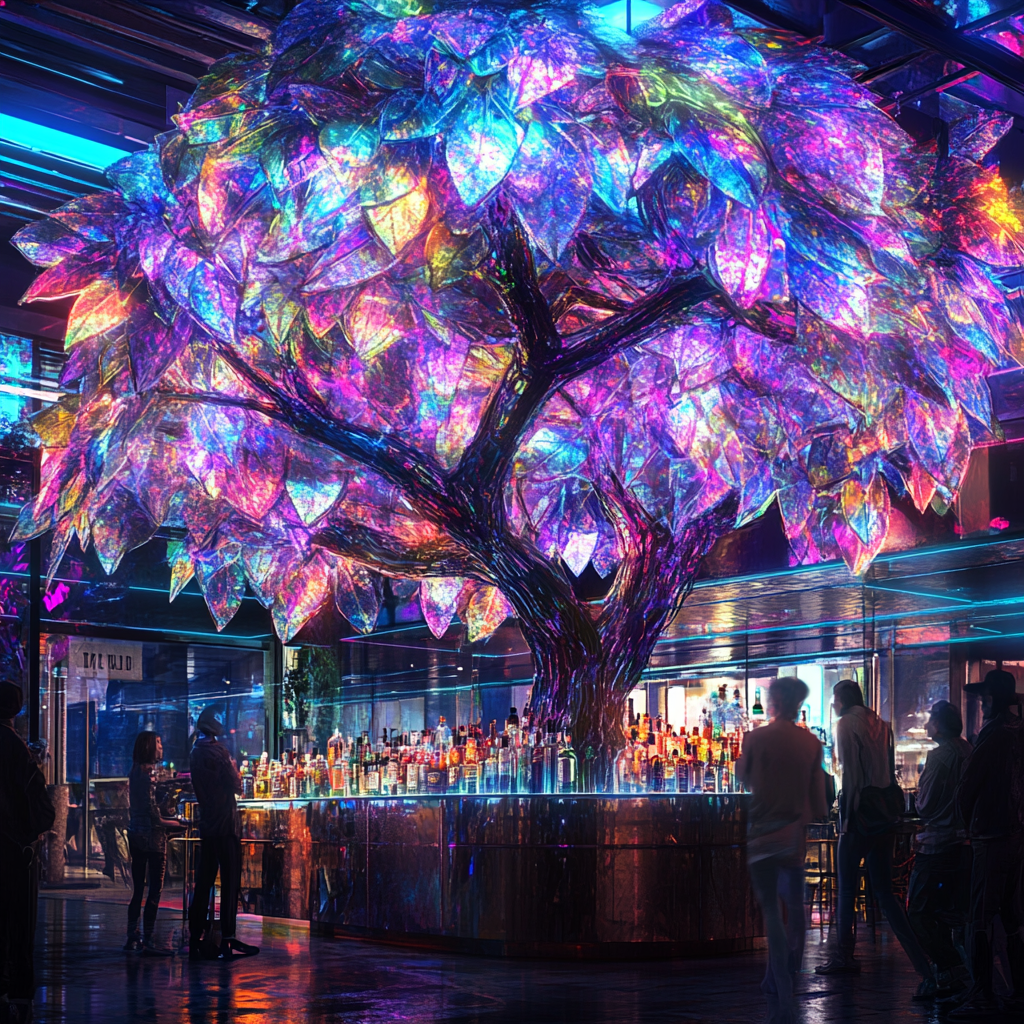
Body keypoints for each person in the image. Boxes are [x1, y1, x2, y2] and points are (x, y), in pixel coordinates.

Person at [816, 679, 933, 990]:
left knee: (846, 889)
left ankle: (844, 956)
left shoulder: (845, 724)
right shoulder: (882, 724)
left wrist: (846, 819)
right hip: (884, 816)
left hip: (860, 816)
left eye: (833, 700)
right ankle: (924, 962)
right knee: (885, 893)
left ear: (840, 700)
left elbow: (852, 777)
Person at [737, 677, 828, 1024]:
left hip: (763, 830)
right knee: (795, 905)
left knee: (772, 913)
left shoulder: (756, 738)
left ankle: (782, 985)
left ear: (773, 701)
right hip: (794, 831)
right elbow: (819, 800)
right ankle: (779, 976)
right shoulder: (810, 742)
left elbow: (744, 778)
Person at [949, 669, 1024, 1018]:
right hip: (1016, 834)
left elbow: (968, 787)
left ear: (991, 700)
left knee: (980, 916)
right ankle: (1019, 990)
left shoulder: (992, 736)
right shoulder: (1019, 731)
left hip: (990, 834)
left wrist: (965, 824)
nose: (980, 704)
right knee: (1012, 917)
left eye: (983, 699)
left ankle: (982, 993)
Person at [906, 700, 973, 1000]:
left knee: (919, 913)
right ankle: (947, 975)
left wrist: (918, 801)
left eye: (931, 717)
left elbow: (927, 804)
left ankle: (950, 967)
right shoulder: (967, 750)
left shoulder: (939, 757)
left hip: (936, 844)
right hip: (963, 844)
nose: (927, 723)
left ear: (940, 723)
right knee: (947, 912)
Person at [0, 681, 56, 1024]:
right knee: (19, 925)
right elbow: (41, 809)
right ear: (16, 711)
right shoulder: (18, 750)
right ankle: (19, 995)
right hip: (15, 850)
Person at [187, 705, 258, 960]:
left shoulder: (195, 752)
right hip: (226, 825)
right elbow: (237, 785)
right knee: (229, 883)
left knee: (203, 882)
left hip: (207, 825)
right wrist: (234, 767)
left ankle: (195, 935)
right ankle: (227, 937)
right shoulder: (219, 752)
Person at [124, 730, 179, 955]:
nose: (161, 746)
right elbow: (155, 817)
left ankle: (132, 935)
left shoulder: (135, 772)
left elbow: (148, 808)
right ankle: (149, 939)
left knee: (138, 890)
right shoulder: (149, 775)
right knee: (155, 890)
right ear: (148, 746)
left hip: (136, 835)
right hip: (153, 838)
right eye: (157, 742)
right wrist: (178, 824)